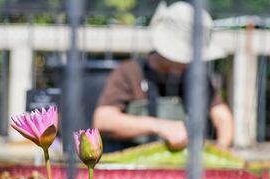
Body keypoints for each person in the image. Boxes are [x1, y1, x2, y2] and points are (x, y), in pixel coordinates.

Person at [93, 1, 234, 152]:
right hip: (133, 166)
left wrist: (221, 150)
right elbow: (103, 119)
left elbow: (222, 115)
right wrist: (159, 126)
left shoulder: (195, 78)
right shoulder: (129, 72)